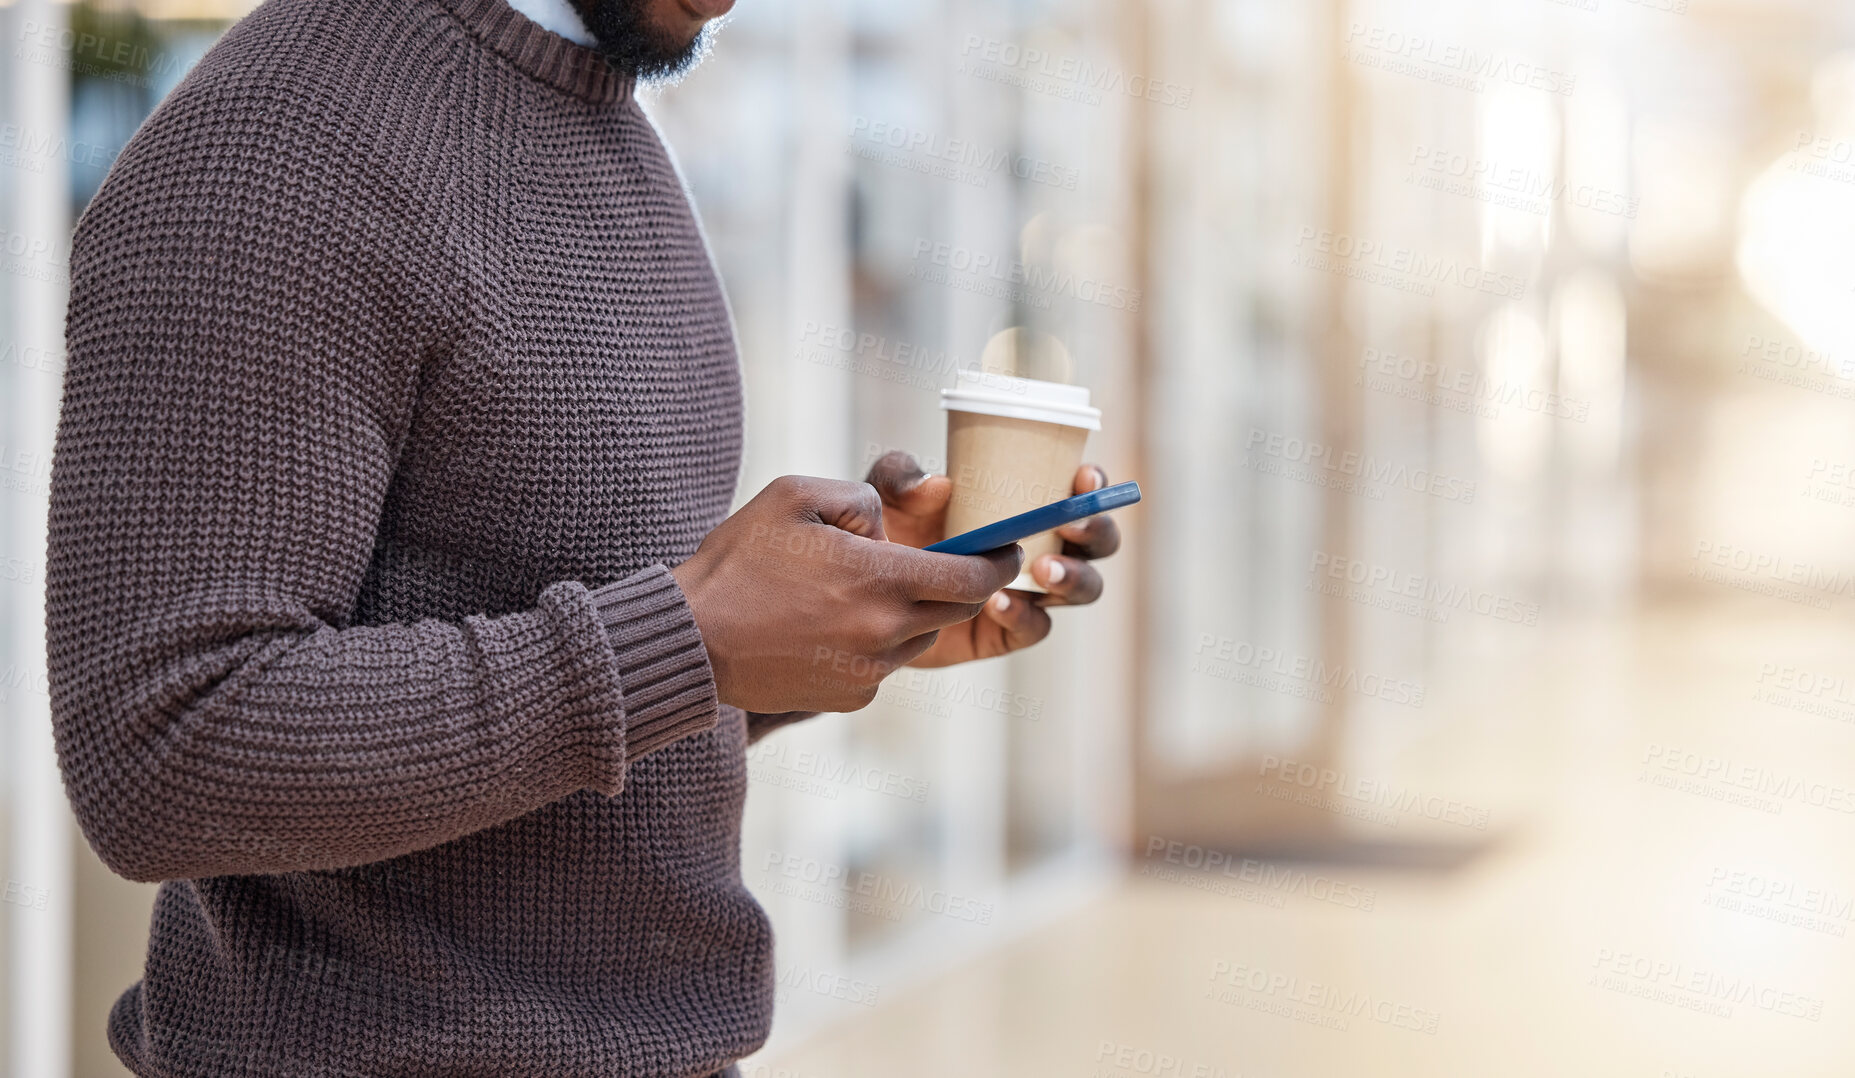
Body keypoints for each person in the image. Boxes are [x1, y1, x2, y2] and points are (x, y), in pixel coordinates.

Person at [42, 0, 1122, 1074]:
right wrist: (689, 638)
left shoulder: (606, 126)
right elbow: (164, 750)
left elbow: (568, 645)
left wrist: (832, 619)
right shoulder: (272, 144)